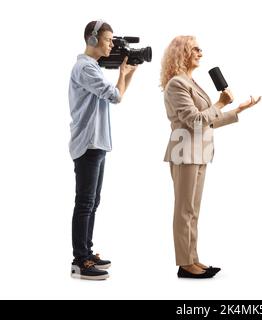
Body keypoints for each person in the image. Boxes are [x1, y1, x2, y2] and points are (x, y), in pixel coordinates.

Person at [161, 35, 261, 278]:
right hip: (184, 152)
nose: (200, 52)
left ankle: (193, 259)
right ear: (182, 52)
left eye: (200, 49)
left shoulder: (191, 82)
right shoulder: (176, 84)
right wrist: (220, 102)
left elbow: (208, 121)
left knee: (192, 210)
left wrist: (237, 109)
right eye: (195, 48)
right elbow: (195, 121)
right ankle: (185, 264)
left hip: (200, 153)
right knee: (184, 210)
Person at [68, 20, 138, 280]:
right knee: (85, 203)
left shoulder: (92, 68)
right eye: (109, 40)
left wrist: (129, 72)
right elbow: (116, 96)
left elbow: (116, 95)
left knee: (92, 202)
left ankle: (86, 252)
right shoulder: (86, 68)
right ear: (93, 39)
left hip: (96, 143)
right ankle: (80, 260)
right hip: (88, 143)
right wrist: (122, 73)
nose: (112, 44)